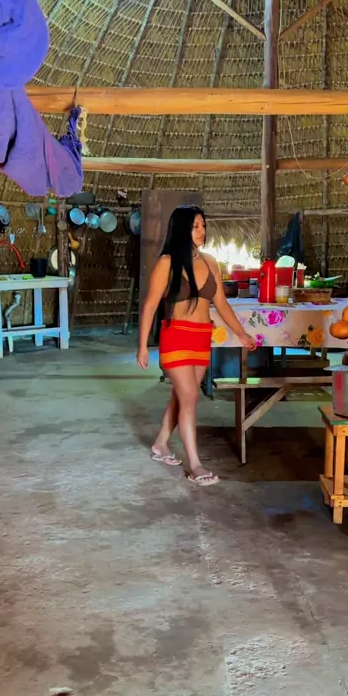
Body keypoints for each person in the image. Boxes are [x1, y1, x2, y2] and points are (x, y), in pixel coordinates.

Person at [137, 205, 256, 487]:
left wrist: (242, 334)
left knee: (182, 397)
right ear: (182, 230)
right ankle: (195, 465)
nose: (202, 231)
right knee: (190, 396)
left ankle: (160, 443)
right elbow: (150, 305)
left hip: (202, 338)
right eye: (195, 226)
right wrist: (142, 346)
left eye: (203, 225)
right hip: (176, 336)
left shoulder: (211, 262)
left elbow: (221, 304)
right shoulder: (167, 263)